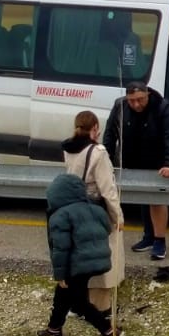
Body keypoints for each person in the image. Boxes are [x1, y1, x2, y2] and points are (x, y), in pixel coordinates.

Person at [37, 171, 119, 336]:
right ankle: (54, 328)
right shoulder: (95, 208)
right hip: (97, 261)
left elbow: (61, 248)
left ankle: (109, 332)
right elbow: (106, 229)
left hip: (77, 264)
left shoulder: (60, 216)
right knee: (63, 293)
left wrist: (60, 274)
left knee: (79, 303)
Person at [103, 81, 169, 260]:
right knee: (143, 199)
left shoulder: (162, 107)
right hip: (133, 157)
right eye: (132, 101)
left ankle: (160, 240)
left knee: (156, 200)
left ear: (148, 95)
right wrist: (105, 161)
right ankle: (149, 237)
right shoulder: (120, 106)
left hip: (156, 160)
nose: (136, 104)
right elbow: (110, 134)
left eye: (140, 100)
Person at [61, 110, 124, 319]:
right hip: (96, 210)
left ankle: (78, 302)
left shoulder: (68, 149)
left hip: (73, 207)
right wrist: (117, 217)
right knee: (103, 259)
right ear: (95, 128)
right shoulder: (98, 152)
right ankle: (102, 307)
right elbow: (107, 189)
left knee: (81, 256)